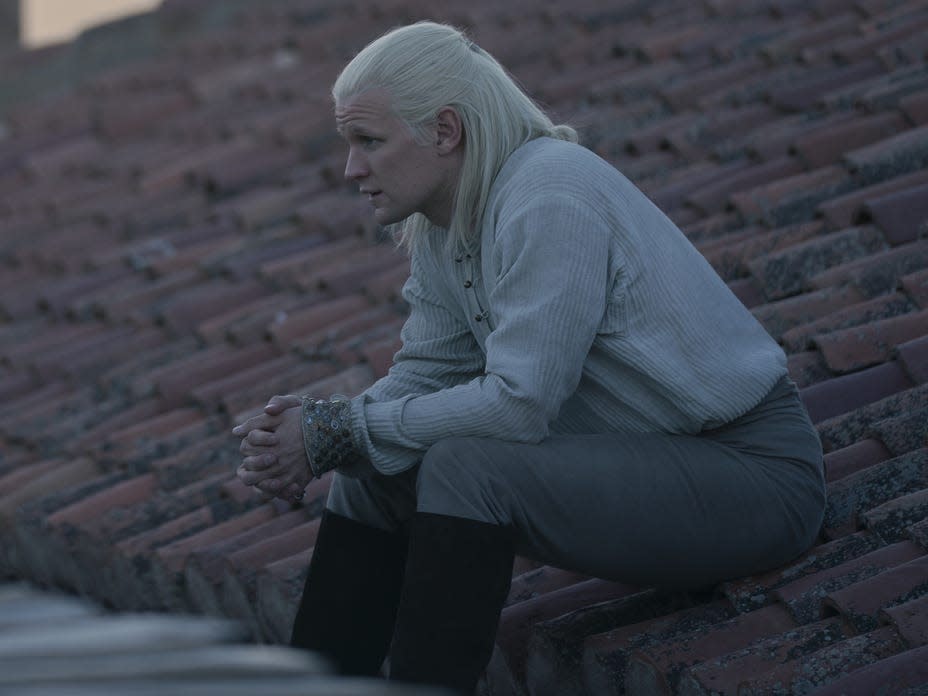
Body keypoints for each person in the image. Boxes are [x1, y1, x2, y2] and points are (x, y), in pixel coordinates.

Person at [232, 20, 826, 694]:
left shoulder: (549, 193)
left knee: (464, 466)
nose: (351, 168)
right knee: (373, 472)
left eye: (369, 141)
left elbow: (518, 406)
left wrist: (341, 428)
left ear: (446, 131)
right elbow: (425, 377)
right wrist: (320, 440)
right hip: (647, 465)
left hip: (752, 477)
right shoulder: (440, 226)